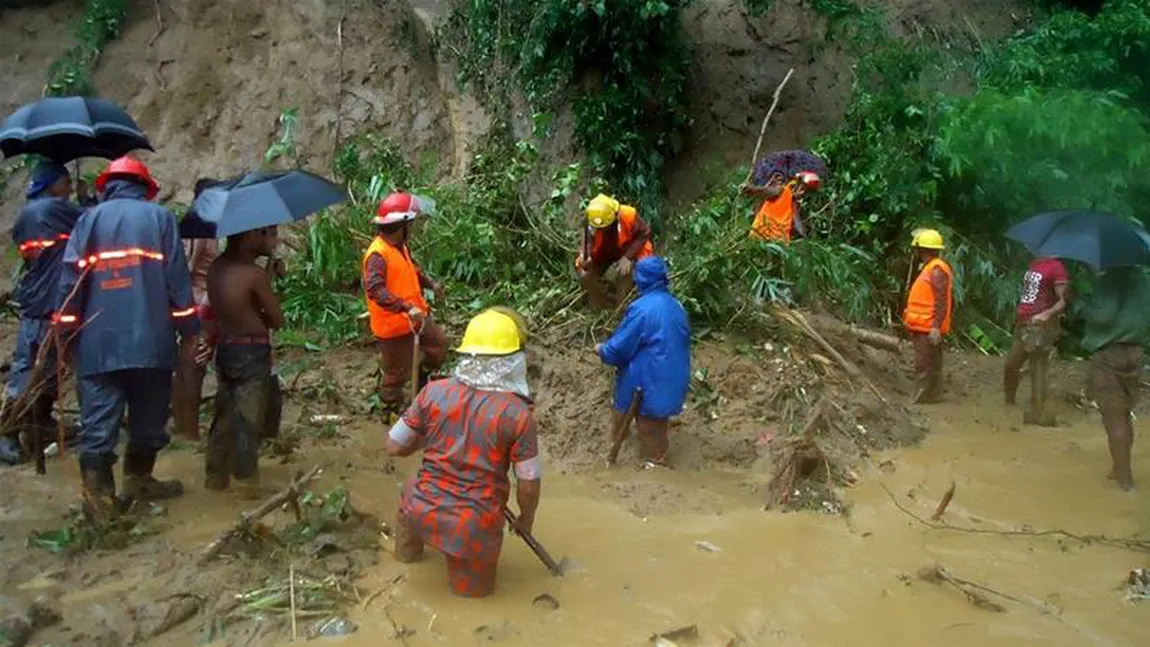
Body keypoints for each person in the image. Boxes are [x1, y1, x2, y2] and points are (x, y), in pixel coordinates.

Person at [56, 156, 199, 517]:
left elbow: (70, 283)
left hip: (98, 343)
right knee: (148, 417)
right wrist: (190, 332)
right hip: (152, 340)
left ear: (107, 186)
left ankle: (98, 498)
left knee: (98, 420)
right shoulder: (160, 219)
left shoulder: (87, 221)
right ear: (145, 188)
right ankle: (139, 479)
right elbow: (177, 281)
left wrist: (66, 334)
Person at [386, 308, 541, 598]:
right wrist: (525, 519)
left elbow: (394, 445)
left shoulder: (433, 392)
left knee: (409, 491)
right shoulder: (518, 415)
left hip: (421, 508)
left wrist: (429, 435)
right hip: (470, 526)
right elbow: (529, 485)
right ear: (513, 361)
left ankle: (406, 558)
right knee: (472, 604)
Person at [1, 161, 88, 465]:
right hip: (47, 301)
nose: (67, 187)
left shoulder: (31, 212)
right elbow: (91, 221)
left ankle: (40, 423)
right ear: (53, 184)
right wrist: (87, 201)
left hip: (41, 297)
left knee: (47, 365)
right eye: (65, 181)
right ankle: (8, 432)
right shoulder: (51, 208)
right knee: (32, 368)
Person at [203, 225, 285, 493]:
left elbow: (233, 308)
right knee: (248, 420)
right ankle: (246, 484)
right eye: (269, 234)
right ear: (251, 235)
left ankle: (215, 477)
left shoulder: (216, 268)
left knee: (224, 414)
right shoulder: (253, 275)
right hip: (251, 353)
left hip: (226, 349)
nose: (273, 241)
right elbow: (277, 320)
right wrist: (267, 282)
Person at [595, 257, 691, 466]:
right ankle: (632, 452)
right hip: (674, 377)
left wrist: (603, 350)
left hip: (650, 380)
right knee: (654, 423)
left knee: (648, 427)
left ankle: (656, 465)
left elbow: (620, 347)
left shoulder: (642, 309)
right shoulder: (676, 306)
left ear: (640, 280)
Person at [362, 192, 447, 422]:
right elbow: (375, 289)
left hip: (416, 318)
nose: (413, 228)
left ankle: (420, 383)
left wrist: (431, 284)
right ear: (401, 226)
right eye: (410, 224)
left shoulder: (400, 247)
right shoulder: (377, 255)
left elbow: (411, 270)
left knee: (437, 346)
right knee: (395, 375)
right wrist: (405, 307)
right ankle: (389, 415)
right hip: (394, 325)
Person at [1078, 267, 1150, 491]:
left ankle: (1125, 480)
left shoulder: (1110, 279)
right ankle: (1119, 467)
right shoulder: (1143, 279)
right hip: (1136, 352)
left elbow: (1103, 315)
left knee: (1113, 416)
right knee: (1124, 412)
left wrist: (1079, 305)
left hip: (1110, 353)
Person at [171, 178, 224, 441]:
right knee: (193, 365)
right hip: (200, 302)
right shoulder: (201, 227)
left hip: (203, 300)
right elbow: (188, 269)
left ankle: (184, 428)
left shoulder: (202, 226)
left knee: (190, 365)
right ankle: (187, 430)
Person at [1003, 256, 1070, 425]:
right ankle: (1009, 402)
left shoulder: (1056, 267)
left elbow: (1064, 300)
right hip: (1024, 321)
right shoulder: (1034, 263)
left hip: (1040, 324)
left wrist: (1046, 314)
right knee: (1011, 364)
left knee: (1037, 367)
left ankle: (1038, 412)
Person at [576, 193, 653, 310]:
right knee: (585, 276)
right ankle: (604, 304)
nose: (602, 230)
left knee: (624, 272)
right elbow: (588, 239)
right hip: (604, 251)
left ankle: (621, 306)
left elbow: (644, 234)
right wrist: (585, 255)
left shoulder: (629, 215)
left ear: (614, 217)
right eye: (599, 228)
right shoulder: (592, 219)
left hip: (628, 250)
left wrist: (628, 257)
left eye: (605, 227)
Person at [902, 228, 953, 404]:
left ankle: (920, 397)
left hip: (928, 326)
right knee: (931, 361)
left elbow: (941, 301)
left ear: (922, 250)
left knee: (924, 363)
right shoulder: (931, 268)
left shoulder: (936, 270)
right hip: (923, 325)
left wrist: (936, 327)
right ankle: (932, 395)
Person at [744, 171, 820, 242]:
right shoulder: (781, 191)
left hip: (778, 243)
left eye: (806, 192)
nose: (802, 193)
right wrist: (752, 189)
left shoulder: (793, 203)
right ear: (796, 184)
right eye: (802, 188)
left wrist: (806, 239)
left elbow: (797, 223)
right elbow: (765, 191)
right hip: (761, 238)